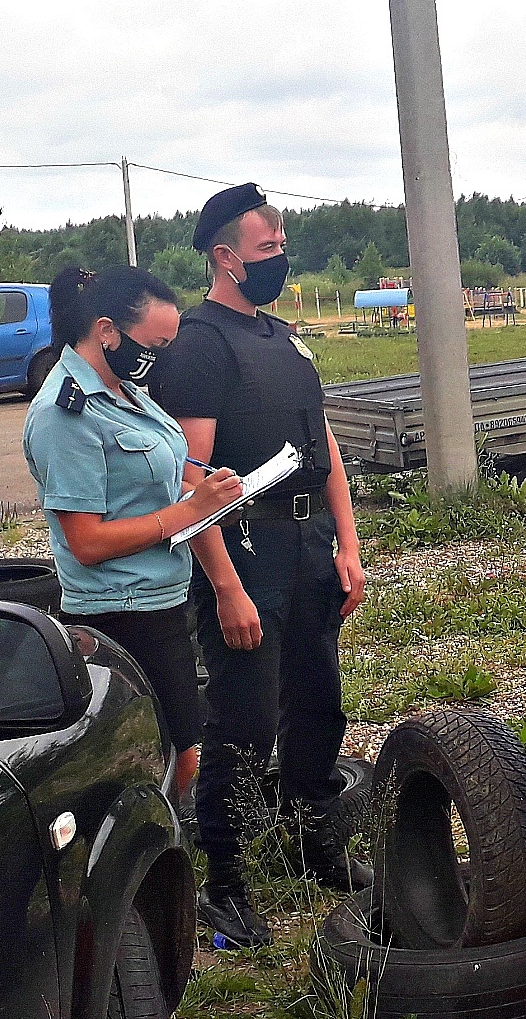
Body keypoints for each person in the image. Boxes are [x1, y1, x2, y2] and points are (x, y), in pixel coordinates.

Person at [150, 184, 367, 949]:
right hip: (245, 549)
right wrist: (225, 584)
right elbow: (188, 479)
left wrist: (349, 544)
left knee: (317, 704)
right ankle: (227, 887)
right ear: (223, 256)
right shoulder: (199, 345)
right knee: (241, 724)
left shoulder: (284, 340)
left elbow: (326, 446)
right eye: (266, 250)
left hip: (309, 548)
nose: (279, 260)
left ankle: (316, 846)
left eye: (280, 248)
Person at [22, 265, 243, 809]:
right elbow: (87, 543)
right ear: (107, 331)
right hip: (120, 612)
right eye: (155, 344)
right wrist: (187, 511)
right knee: (169, 759)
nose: (162, 357)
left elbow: (164, 469)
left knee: (178, 749)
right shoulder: (66, 415)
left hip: (161, 600)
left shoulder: (125, 391)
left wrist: (208, 486)